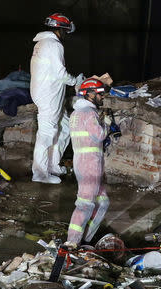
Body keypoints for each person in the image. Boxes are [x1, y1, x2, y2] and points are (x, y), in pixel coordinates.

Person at [30, 13, 84, 184]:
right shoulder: (54, 45)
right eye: (66, 31)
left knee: (64, 126)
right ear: (62, 29)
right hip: (49, 95)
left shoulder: (41, 43)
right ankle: (40, 173)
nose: (66, 35)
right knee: (46, 133)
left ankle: (52, 164)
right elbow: (60, 74)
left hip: (45, 93)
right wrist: (76, 81)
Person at [67, 78, 111, 246]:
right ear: (90, 94)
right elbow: (98, 135)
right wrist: (106, 124)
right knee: (85, 204)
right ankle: (72, 243)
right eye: (100, 94)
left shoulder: (76, 113)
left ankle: (86, 239)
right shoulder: (89, 113)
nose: (102, 97)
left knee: (103, 202)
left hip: (83, 163)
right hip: (90, 166)